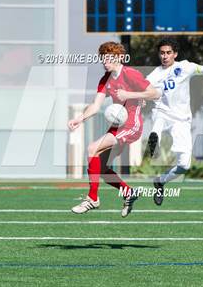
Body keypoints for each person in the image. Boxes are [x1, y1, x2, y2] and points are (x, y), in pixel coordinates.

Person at [68, 41, 161, 217]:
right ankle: (128, 192)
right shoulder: (105, 79)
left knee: (92, 148)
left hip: (132, 125)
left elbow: (155, 93)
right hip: (117, 127)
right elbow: (95, 106)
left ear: (119, 58)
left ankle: (92, 198)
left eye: (108, 58)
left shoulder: (130, 74)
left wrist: (129, 95)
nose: (105, 62)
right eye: (103, 59)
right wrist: (79, 119)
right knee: (101, 168)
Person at [146, 37, 203, 206]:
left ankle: (160, 181)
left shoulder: (185, 67)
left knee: (184, 166)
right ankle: (153, 138)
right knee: (158, 120)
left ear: (175, 54)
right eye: (162, 53)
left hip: (181, 120)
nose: (165, 56)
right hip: (162, 113)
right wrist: (140, 98)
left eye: (168, 53)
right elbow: (143, 89)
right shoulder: (154, 75)